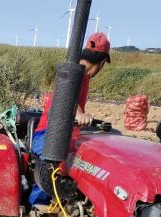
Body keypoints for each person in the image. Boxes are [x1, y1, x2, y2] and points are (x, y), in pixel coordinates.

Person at [29, 32, 111, 205]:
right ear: (102, 62)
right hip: (47, 134)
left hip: (67, 135)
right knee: (51, 165)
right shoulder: (76, 75)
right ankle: (37, 207)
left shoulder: (82, 76)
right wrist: (79, 114)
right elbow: (69, 98)